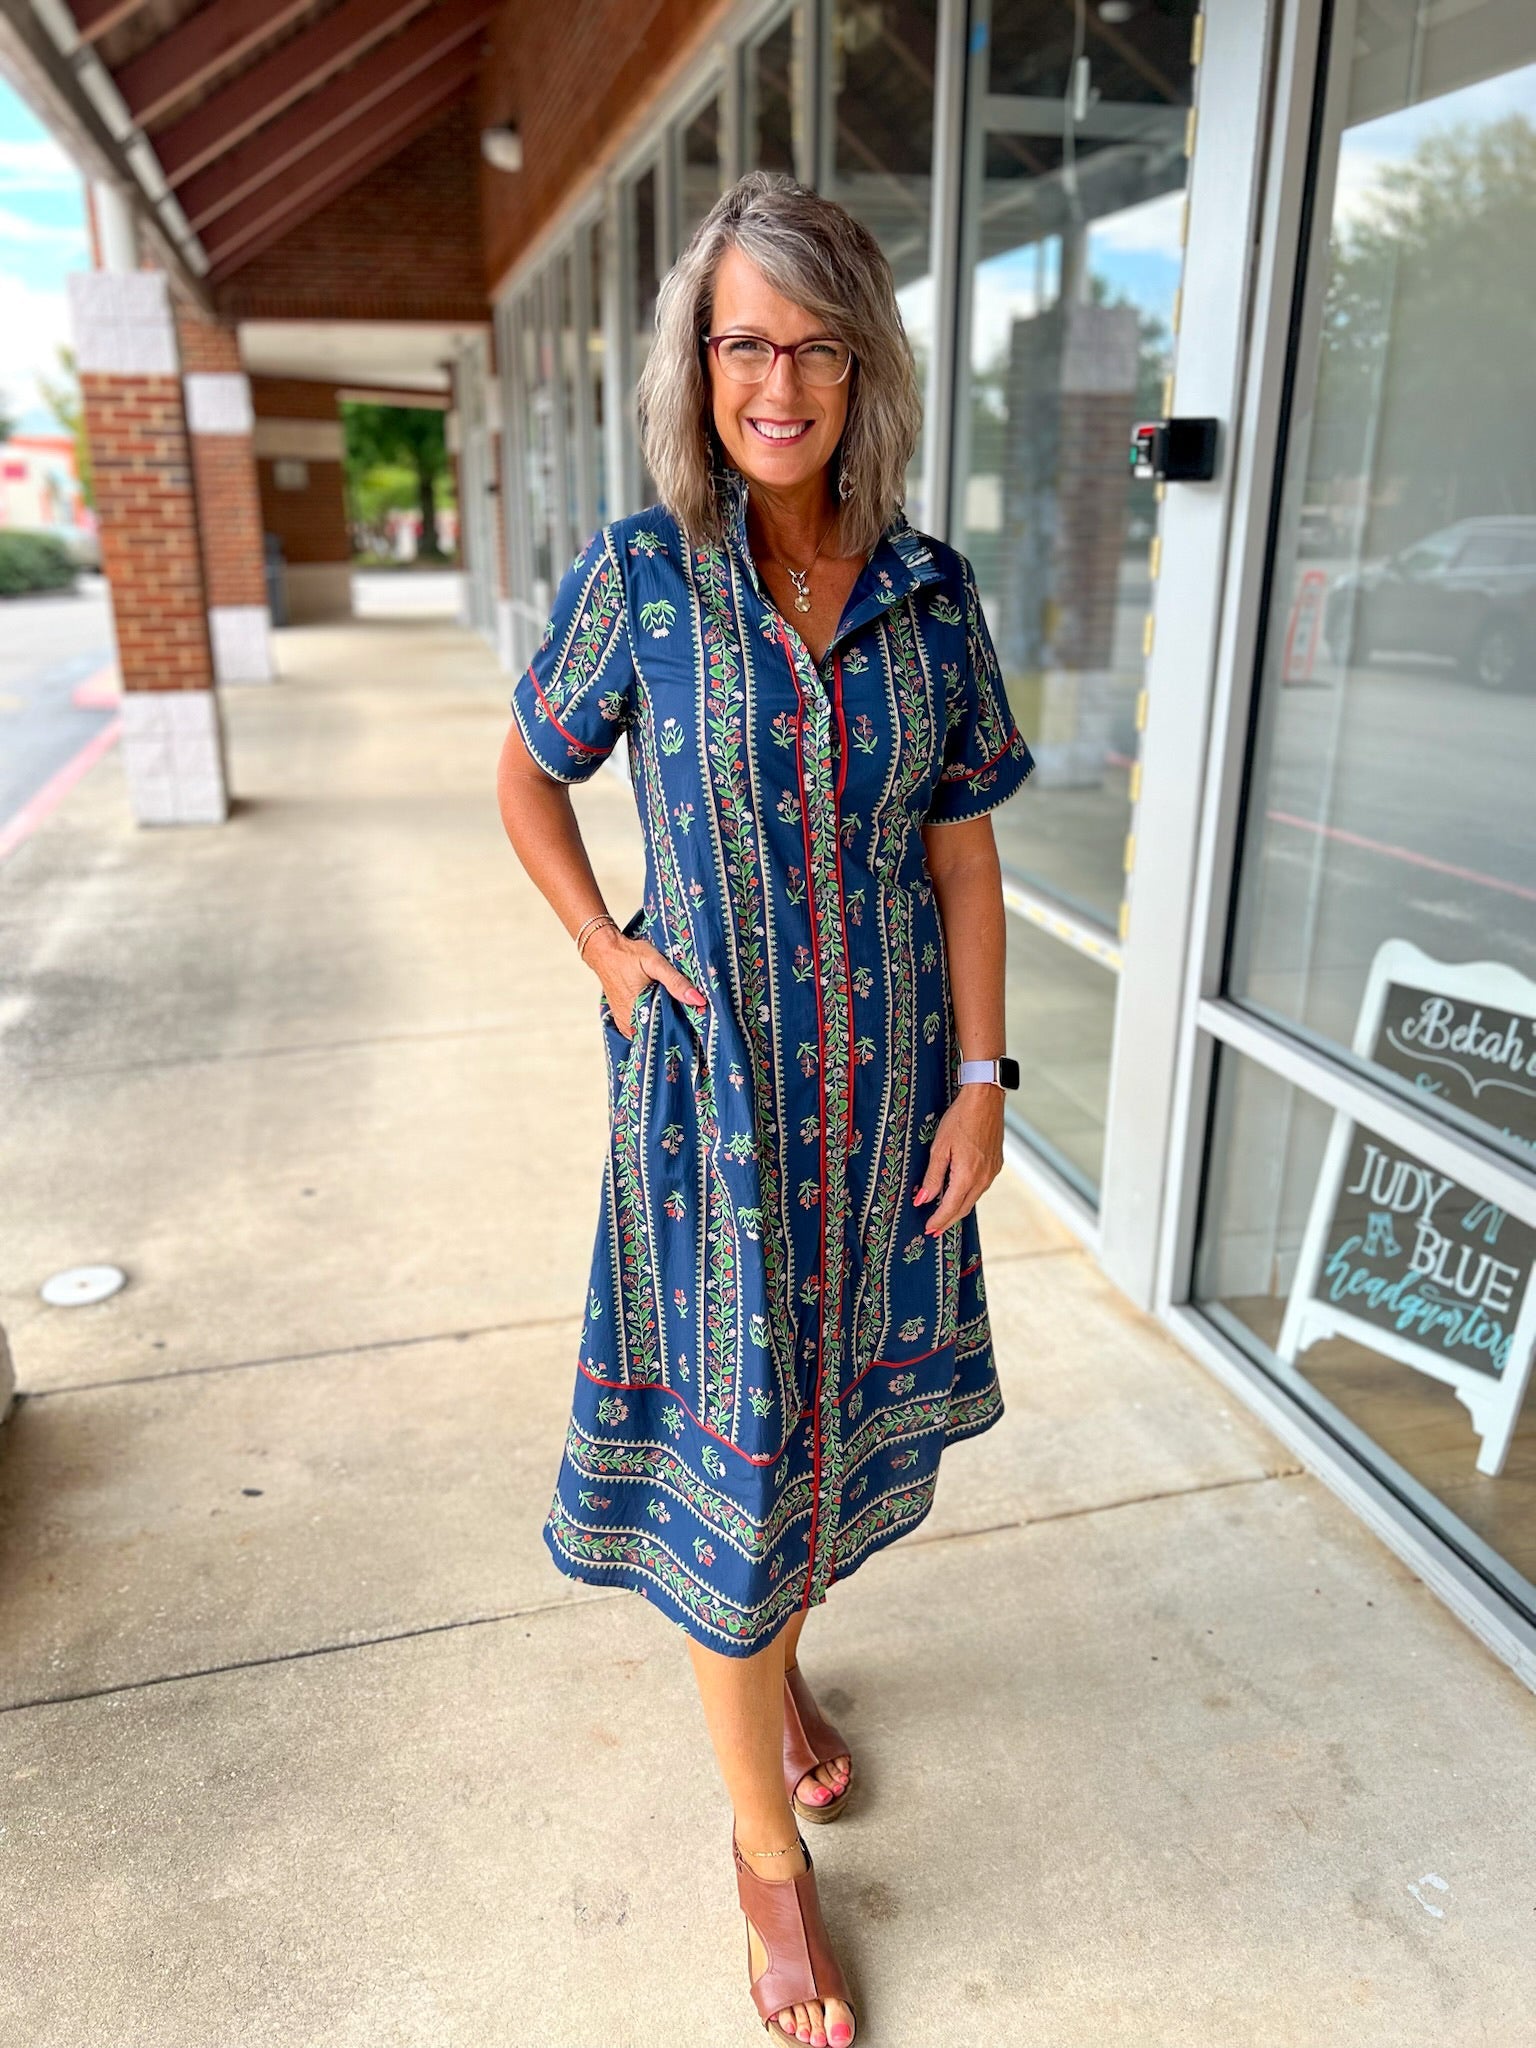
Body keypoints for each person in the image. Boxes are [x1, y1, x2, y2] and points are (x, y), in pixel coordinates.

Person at [496, 169, 1034, 2048]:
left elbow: (966, 865)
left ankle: (781, 1691)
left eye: (813, 342)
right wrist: (605, 955)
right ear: (697, 362)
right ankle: (768, 1871)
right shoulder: (644, 577)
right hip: (713, 1131)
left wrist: (980, 1083)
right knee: (735, 1487)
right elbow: (528, 773)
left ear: (860, 362)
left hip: (889, 1115)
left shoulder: (926, 588)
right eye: (744, 341)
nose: (778, 379)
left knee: (814, 1459)